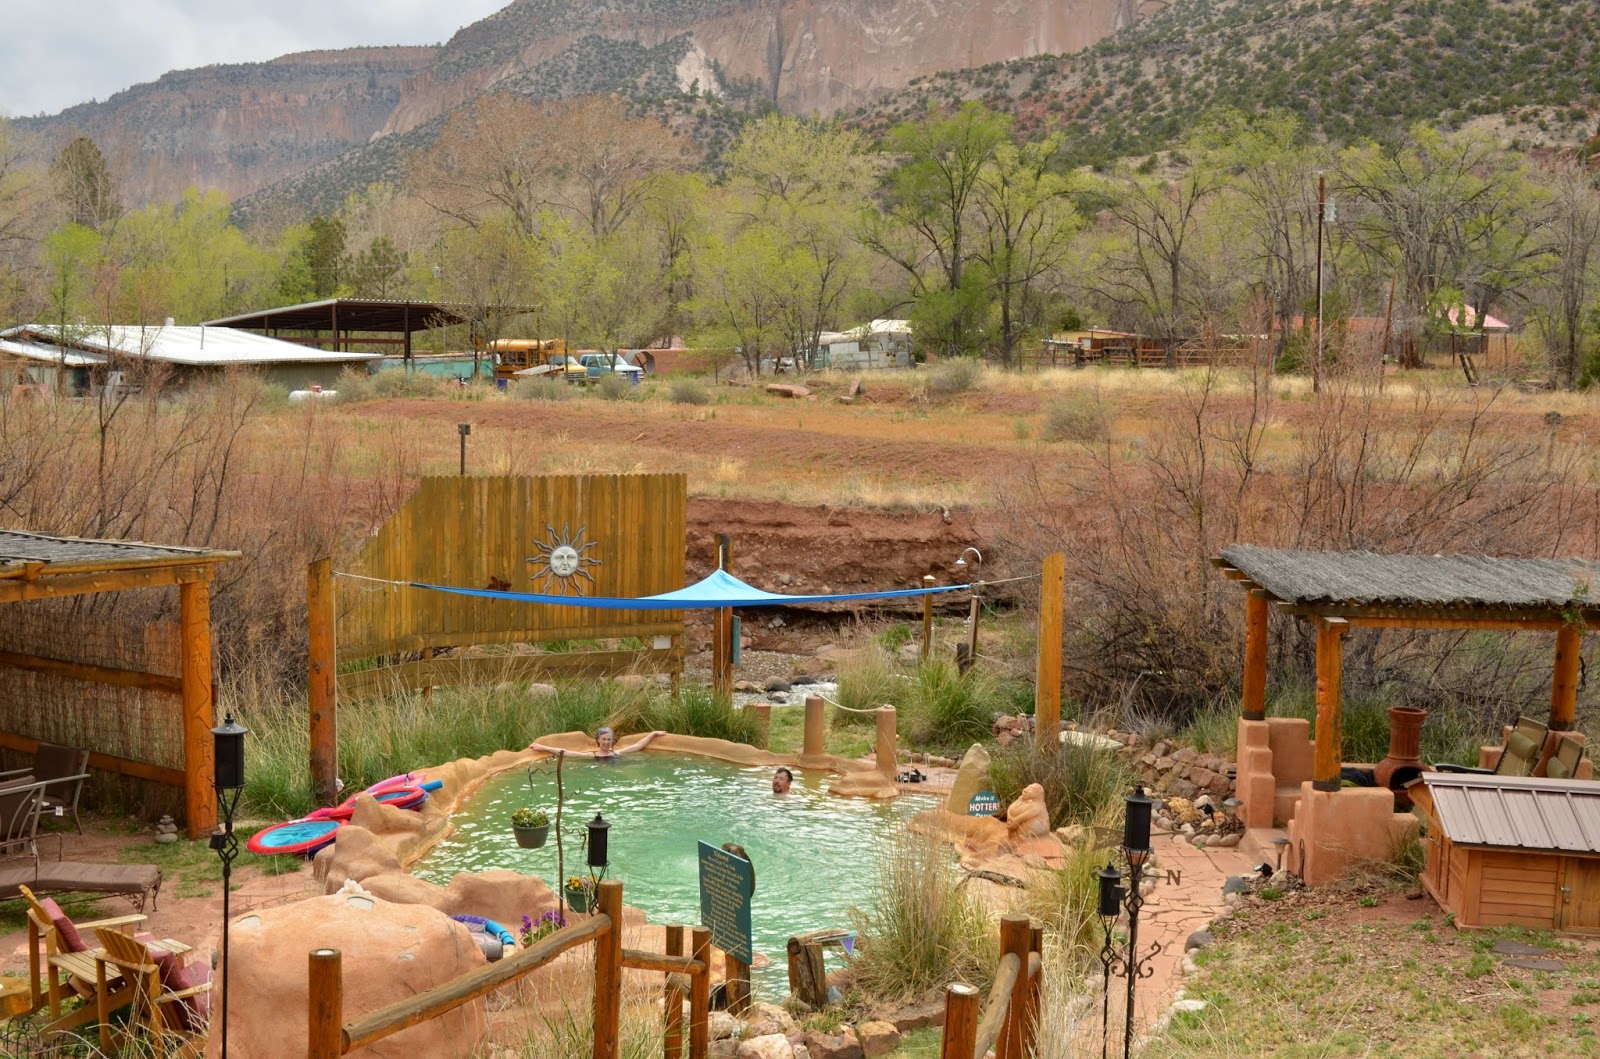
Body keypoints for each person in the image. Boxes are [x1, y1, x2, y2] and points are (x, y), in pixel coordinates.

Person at [529, 727, 665, 759]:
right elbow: (568, 753)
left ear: (612, 741)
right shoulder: (592, 756)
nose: (606, 742)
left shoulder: (616, 753)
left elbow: (637, 746)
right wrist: (543, 747)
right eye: (604, 739)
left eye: (609, 739)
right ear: (598, 741)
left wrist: (652, 734)